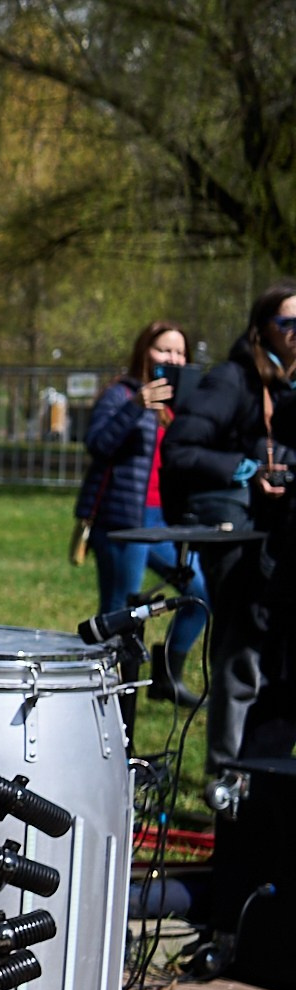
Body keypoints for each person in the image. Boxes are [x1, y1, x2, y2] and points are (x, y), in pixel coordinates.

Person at [161, 283, 296, 765]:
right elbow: (179, 448)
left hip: (280, 534)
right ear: (263, 329)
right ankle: (228, 774)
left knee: (276, 657)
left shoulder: (288, 386)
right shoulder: (232, 379)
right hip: (235, 531)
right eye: (288, 323)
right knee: (242, 649)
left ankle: (261, 770)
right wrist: (247, 469)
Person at [79, 320, 209, 704]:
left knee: (200, 594)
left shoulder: (180, 405)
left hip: (163, 520)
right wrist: (135, 407)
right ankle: (99, 695)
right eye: (164, 350)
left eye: (180, 352)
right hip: (123, 519)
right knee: (118, 612)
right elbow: (97, 444)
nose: (173, 358)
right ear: (144, 352)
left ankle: (167, 674)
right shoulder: (120, 394)